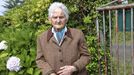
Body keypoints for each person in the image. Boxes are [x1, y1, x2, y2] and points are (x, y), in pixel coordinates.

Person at [36, 2, 90, 75]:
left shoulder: (78, 34)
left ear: (66, 18)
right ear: (50, 19)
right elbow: (40, 60)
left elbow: (86, 56)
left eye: (61, 17)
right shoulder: (42, 38)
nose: (58, 21)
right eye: (55, 17)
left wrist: (74, 67)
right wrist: (50, 73)